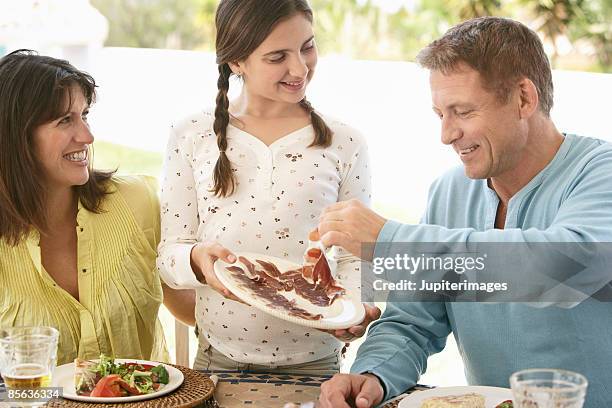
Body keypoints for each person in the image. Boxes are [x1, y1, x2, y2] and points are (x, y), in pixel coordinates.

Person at [317, 17, 612, 408]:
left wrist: (389, 240)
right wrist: (373, 374)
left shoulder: (600, 173)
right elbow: (413, 322)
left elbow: (563, 268)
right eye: (441, 114)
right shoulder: (448, 192)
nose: (446, 134)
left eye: (463, 111)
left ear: (524, 98)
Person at [157, 0, 380, 375]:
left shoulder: (346, 143)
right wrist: (196, 259)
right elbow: (169, 254)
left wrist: (356, 309)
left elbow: (354, 256)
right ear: (236, 61)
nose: (300, 68)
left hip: (317, 366)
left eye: (307, 47)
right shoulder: (191, 135)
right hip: (216, 362)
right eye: (277, 56)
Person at [0, 50, 195, 365]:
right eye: (65, 120)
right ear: (17, 137)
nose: (87, 136)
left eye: (85, 115)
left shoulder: (138, 203)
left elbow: (190, 306)